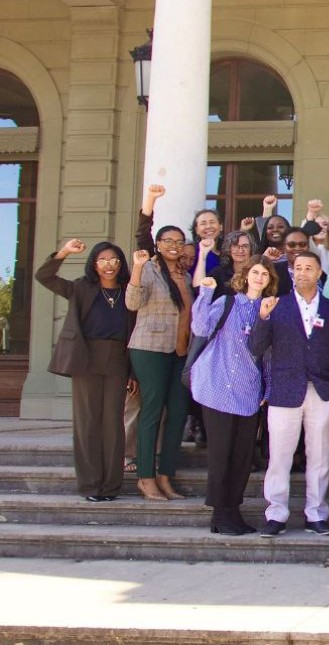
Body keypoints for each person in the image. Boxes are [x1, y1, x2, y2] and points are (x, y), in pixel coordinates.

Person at [250, 250, 329, 538]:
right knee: (279, 457)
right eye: (298, 268)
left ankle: (316, 514)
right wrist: (263, 318)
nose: (303, 272)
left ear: (320, 273)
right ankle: (276, 513)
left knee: (319, 457)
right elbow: (256, 348)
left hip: (322, 392)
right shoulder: (276, 306)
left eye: (310, 268)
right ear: (291, 273)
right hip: (284, 391)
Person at [37, 239, 135, 502]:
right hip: (86, 360)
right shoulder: (81, 288)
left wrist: (133, 372)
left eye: (114, 260)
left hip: (117, 360)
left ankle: (112, 486)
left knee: (113, 424)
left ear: (120, 264)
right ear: (94, 264)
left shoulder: (129, 291)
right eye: (102, 260)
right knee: (87, 423)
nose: (109, 265)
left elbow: (134, 333)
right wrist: (65, 251)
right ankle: (91, 487)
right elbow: (43, 276)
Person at [191, 258, 276, 535]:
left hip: (249, 390)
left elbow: (264, 351)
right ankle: (219, 513)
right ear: (245, 275)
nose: (259, 277)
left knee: (241, 456)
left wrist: (267, 388)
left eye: (264, 273)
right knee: (221, 454)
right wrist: (205, 292)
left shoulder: (269, 309)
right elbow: (202, 328)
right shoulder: (228, 303)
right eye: (255, 272)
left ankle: (232, 511)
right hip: (218, 386)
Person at [126, 211, 193, 502]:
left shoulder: (186, 274)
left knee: (178, 413)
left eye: (179, 241)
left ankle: (165, 475)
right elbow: (132, 303)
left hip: (180, 350)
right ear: (158, 243)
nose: (174, 245)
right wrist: (138, 269)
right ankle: (145, 477)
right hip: (149, 348)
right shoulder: (149, 268)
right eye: (168, 240)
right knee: (151, 412)